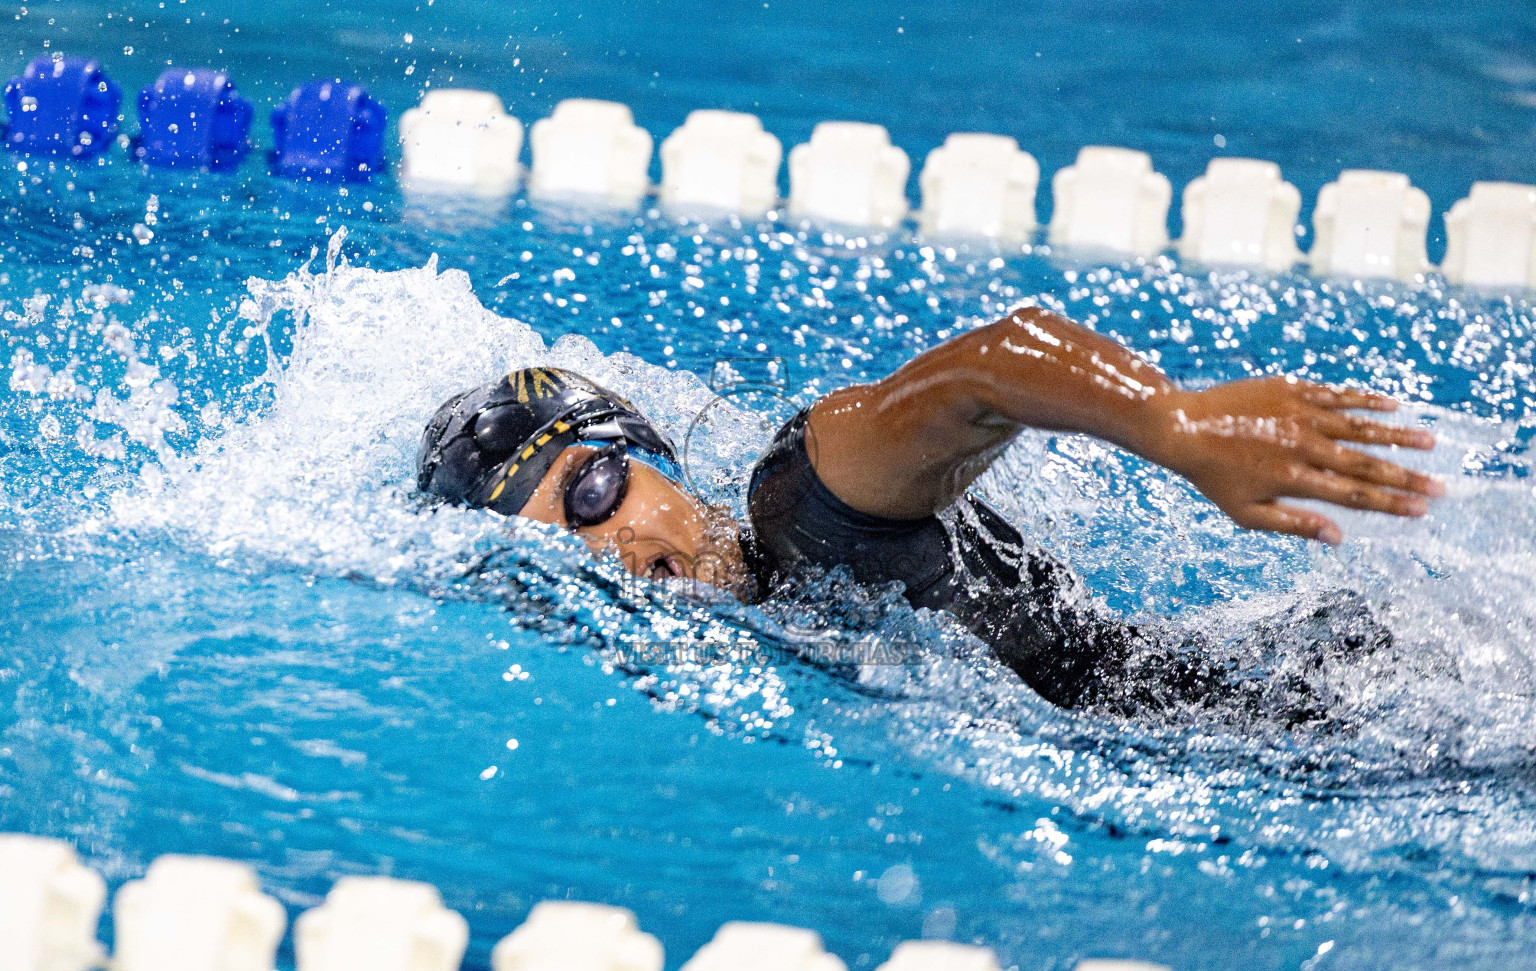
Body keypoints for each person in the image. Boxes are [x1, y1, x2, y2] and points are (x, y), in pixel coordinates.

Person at [416, 308, 1444, 712]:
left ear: (650, 454)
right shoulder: (757, 634)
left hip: (1327, 704)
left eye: (595, 492)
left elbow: (987, 373)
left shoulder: (803, 504)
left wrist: (1173, 426)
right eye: (573, 557)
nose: (625, 551)